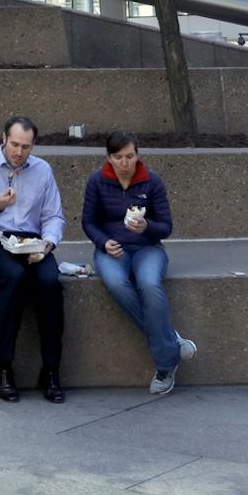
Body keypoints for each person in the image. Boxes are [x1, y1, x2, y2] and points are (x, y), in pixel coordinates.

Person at [0, 115, 66, 403]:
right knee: (14, 278)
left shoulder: (42, 170)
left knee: (49, 283)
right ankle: (4, 367)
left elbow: (53, 216)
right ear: (4, 138)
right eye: (15, 144)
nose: (19, 152)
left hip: (30, 241)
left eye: (26, 147)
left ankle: (51, 370)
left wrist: (48, 245)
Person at [81, 133, 198, 395]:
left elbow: (166, 227)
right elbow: (89, 222)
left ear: (138, 155)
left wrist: (147, 226)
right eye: (118, 157)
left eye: (130, 156)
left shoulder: (152, 181)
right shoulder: (97, 181)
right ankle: (171, 344)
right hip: (113, 249)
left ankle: (165, 365)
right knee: (116, 283)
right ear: (109, 157)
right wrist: (103, 242)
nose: (125, 163)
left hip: (148, 248)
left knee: (149, 283)